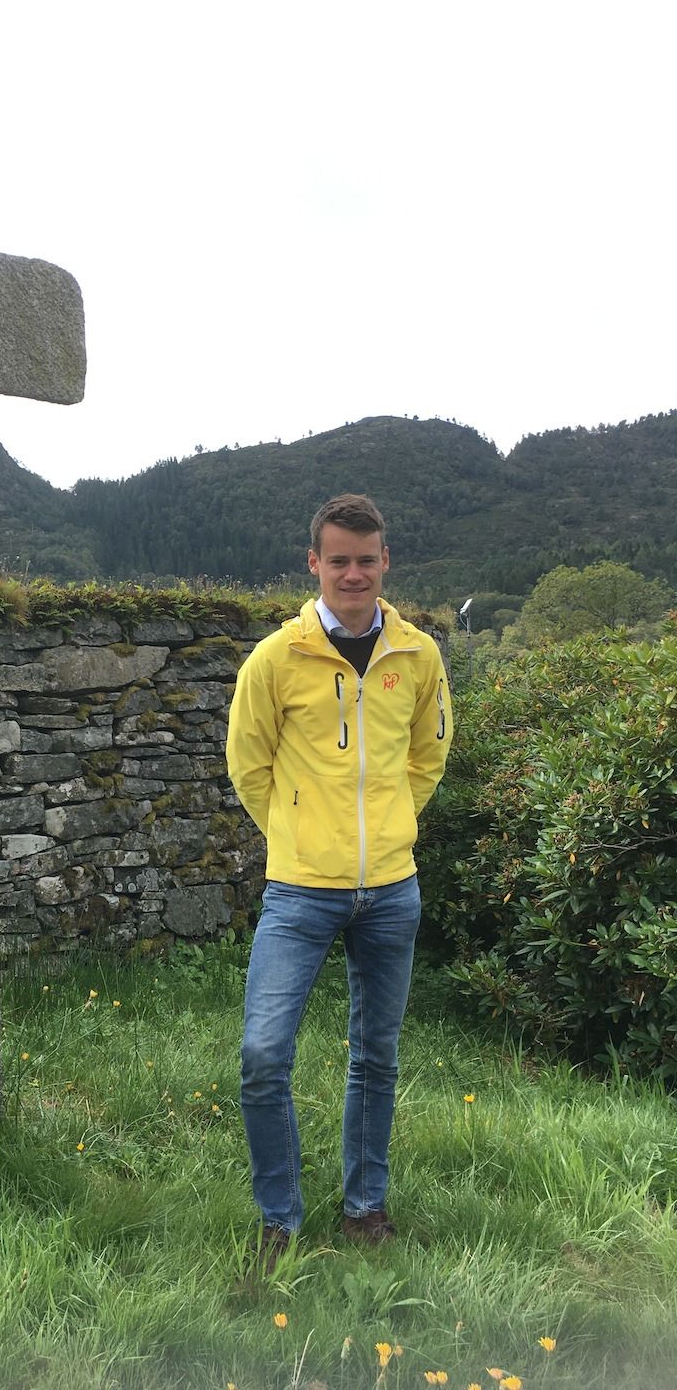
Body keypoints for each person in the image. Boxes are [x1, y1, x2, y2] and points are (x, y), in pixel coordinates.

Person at [226, 493, 452, 1262]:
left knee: (376, 1056)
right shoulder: (275, 659)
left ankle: (365, 1207)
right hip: (299, 889)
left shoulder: (419, 656)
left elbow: (427, 756)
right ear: (314, 564)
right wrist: (297, 835)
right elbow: (248, 766)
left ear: (385, 562)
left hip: (391, 889)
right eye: (338, 560)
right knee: (263, 1056)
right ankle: (279, 1219)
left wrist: (391, 826)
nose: (353, 574)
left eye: (365, 560)